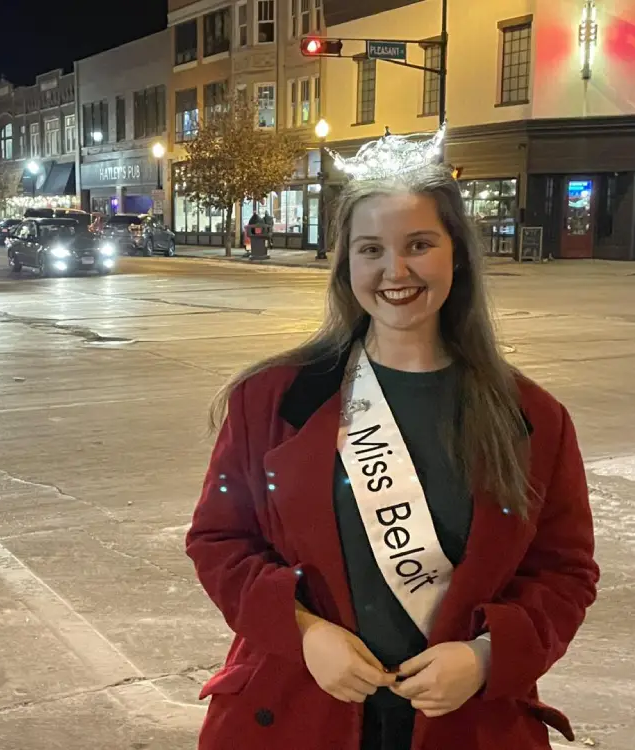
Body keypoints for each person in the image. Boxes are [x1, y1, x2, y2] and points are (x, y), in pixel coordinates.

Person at [186, 165, 598, 750]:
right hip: (298, 711)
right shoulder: (272, 400)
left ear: (458, 256)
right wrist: (302, 632)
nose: (395, 270)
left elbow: (564, 573)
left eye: (419, 245)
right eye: (371, 249)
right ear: (346, 265)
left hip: (465, 723)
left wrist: (487, 656)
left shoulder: (535, 418)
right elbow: (219, 541)